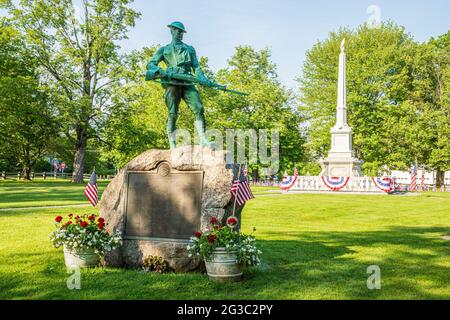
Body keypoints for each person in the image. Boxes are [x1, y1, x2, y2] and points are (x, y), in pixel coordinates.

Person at [146, 21, 212, 149]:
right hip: (171, 81)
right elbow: (150, 64)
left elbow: (196, 67)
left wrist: (204, 79)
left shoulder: (190, 49)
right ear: (171, 30)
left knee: (198, 108)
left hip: (187, 80)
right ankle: (172, 143)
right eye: (177, 30)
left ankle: (203, 139)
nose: (180, 33)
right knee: (173, 113)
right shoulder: (164, 50)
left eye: (182, 31)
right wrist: (162, 72)